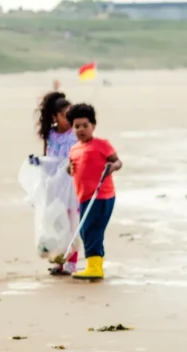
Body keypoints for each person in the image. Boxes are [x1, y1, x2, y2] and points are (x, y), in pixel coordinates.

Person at [66, 103, 122, 281]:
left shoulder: (101, 145)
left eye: (85, 125)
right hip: (83, 196)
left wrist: (112, 167)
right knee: (84, 231)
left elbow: (118, 162)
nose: (81, 129)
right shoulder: (74, 149)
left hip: (101, 195)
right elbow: (73, 169)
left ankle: (95, 268)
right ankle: (93, 265)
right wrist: (70, 168)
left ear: (93, 126)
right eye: (77, 126)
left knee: (92, 230)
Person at [36, 91, 79, 275]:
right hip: (54, 185)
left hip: (71, 185)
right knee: (56, 222)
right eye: (63, 115)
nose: (68, 119)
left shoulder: (74, 135)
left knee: (71, 222)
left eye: (70, 114)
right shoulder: (50, 135)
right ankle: (59, 260)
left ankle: (72, 262)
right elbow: (47, 158)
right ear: (54, 116)